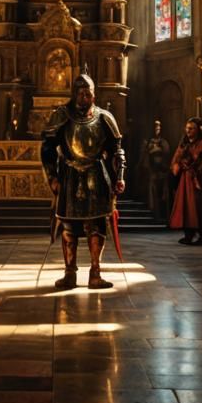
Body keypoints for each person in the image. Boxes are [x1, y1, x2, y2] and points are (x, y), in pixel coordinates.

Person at [41, 71, 126, 290]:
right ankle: (70, 273)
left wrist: (119, 178)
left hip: (97, 176)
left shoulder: (104, 117)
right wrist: (52, 177)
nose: (83, 97)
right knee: (69, 227)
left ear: (94, 95)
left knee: (96, 226)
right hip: (69, 176)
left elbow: (116, 151)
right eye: (79, 93)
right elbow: (48, 148)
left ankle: (95, 273)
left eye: (87, 92)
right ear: (73, 94)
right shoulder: (62, 115)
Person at [169, 118, 202, 245]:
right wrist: (178, 164)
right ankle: (188, 235)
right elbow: (175, 162)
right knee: (186, 207)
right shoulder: (184, 145)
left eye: (192, 128)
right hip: (185, 181)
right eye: (187, 128)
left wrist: (195, 171)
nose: (188, 131)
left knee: (200, 208)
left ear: (198, 130)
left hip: (198, 181)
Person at [140, 119, 170, 222]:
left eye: (159, 128)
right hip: (151, 170)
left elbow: (166, 153)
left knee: (162, 193)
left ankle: (161, 214)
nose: (157, 130)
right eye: (155, 128)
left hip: (161, 170)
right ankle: (153, 212)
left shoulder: (163, 142)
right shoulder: (148, 142)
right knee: (152, 192)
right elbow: (145, 155)